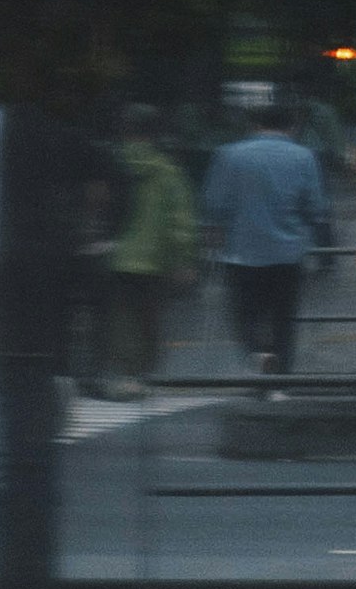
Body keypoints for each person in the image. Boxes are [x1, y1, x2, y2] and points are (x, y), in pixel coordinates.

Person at [200, 102, 331, 380]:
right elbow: (316, 208)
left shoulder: (229, 155)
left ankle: (258, 354)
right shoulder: (304, 157)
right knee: (283, 318)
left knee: (245, 315)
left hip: (241, 253)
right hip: (288, 254)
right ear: (292, 126)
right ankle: (281, 379)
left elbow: (214, 205)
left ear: (255, 125)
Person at [97, 107, 198, 398]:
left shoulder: (111, 163)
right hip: (155, 260)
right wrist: (184, 259)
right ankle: (142, 373)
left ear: (124, 130)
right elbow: (181, 220)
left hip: (115, 256)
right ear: (154, 135)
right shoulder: (168, 171)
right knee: (149, 318)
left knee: (119, 319)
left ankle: (122, 373)